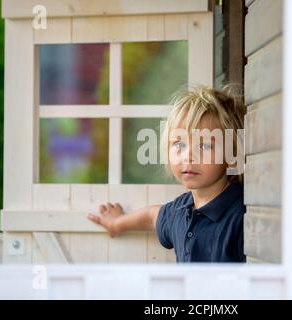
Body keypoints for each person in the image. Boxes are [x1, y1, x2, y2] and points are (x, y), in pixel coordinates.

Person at [88, 85, 247, 262]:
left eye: (205, 146)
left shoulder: (243, 216)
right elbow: (151, 216)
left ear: (232, 154)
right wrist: (117, 224)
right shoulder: (179, 211)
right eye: (179, 144)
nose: (188, 157)